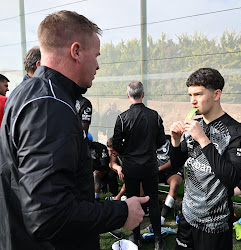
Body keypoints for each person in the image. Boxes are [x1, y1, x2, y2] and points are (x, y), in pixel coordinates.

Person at [0, 10, 148, 250]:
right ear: (76, 51)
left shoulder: (26, 93)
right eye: (96, 55)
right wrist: (120, 212)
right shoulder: (49, 106)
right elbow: (46, 216)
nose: (98, 65)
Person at [170, 68, 241, 250]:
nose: (192, 101)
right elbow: (175, 164)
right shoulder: (195, 126)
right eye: (190, 95)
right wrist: (175, 141)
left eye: (198, 94)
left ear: (216, 94)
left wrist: (203, 140)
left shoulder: (237, 132)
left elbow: (231, 179)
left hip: (214, 224)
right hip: (187, 215)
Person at [113, 81, 166, 250]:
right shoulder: (155, 115)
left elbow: (116, 144)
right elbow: (161, 141)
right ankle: (158, 240)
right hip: (149, 165)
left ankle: (136, 238)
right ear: (143, 94)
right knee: (153, 201)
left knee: (132, 200)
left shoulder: (122, 118)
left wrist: (126, 153)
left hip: (132, 166)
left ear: (128, 95)